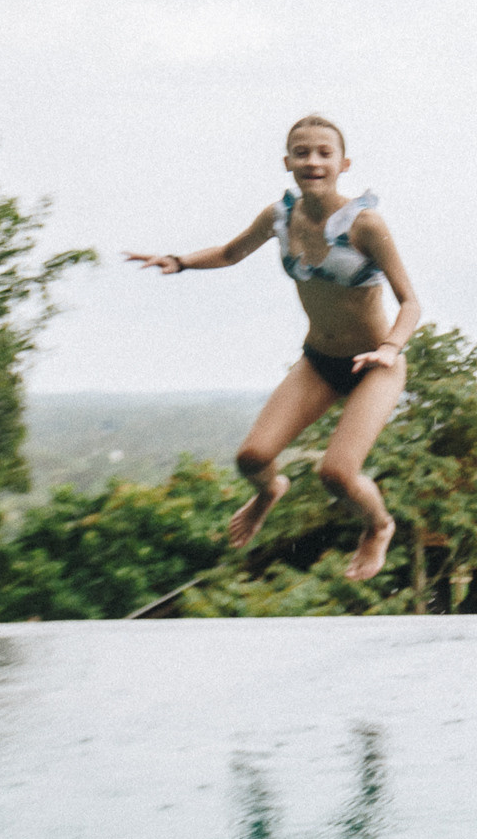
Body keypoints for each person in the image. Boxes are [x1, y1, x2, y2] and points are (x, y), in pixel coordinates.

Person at [128, 115, 422, 581]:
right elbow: (230, 252)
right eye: (302, 152)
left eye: (324, 152)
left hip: (377, 366)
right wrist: (180, 261)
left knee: (337, 475)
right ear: (287, 162)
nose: (313, 160)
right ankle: (270, 492)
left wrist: (389, 347)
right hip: (320, 361)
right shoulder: (280, 217)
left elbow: (410, 302)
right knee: (252, 459)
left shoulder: (366, 225)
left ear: (344, 163)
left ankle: (379, 526)